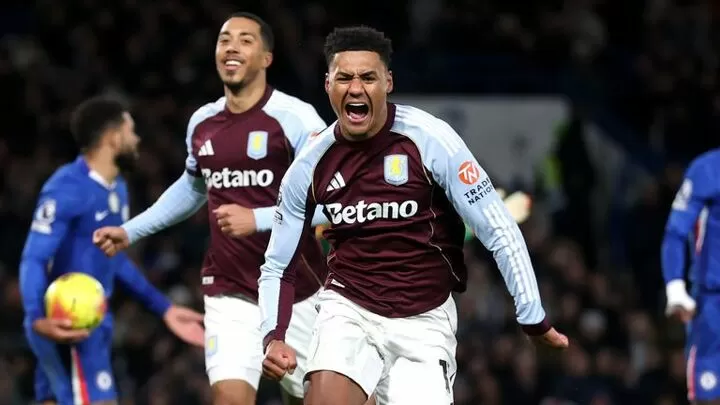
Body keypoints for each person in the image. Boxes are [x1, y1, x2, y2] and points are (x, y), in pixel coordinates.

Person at [258, 26, 569, 405]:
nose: (355, 88)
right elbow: (278, 265)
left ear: (388, 82)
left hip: (423, 319)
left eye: (368, 77)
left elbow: (499, 228)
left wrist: (532, 317)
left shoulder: (431, 139)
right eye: (344, 78)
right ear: (327, 85)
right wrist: (273, 336)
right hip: (348, 308)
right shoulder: (310, 164)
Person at [92, 13, 330, 405]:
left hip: (297, 290)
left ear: (267, 58)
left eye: (245, 40)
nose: (232, 47)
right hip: (229, 290)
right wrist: (130, 230)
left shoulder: (296, 119)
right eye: (224, 39)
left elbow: (335, 205)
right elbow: (192, 188)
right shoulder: (203, 122)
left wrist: (257, 219)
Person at [20, 96, 205, 405]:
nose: (137, 139)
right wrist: (37, 317)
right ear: (113, 138)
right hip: (69, 324)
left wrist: (164, 308)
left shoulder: (117, 188)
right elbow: (34, 257)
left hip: (94, 323)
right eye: (131, 131)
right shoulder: (66, 187)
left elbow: (114, 259)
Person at [662, 149, 720, 405]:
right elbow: (675, 231)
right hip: (712, 304)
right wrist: (676, 289)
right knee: (709, 397)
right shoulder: (708, 169)